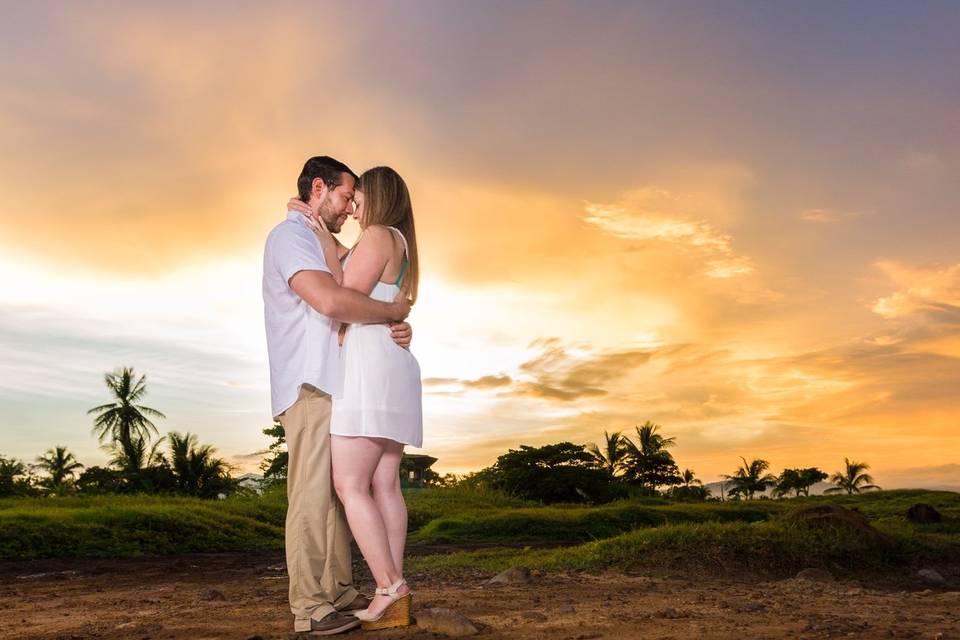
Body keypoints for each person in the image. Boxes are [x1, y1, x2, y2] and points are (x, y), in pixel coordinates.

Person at [262, 156, 412, 636]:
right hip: (309, 381)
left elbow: (353, 270)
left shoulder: (314, 237)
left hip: (336, 379)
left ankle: (339, 589)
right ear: (320, 188)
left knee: (336, 494)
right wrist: (389, 311)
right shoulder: (290, 237)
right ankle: (310, 607)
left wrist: (392, 319)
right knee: (311, 496)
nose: (351, 208)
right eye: (347, 197)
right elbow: (331, 300)